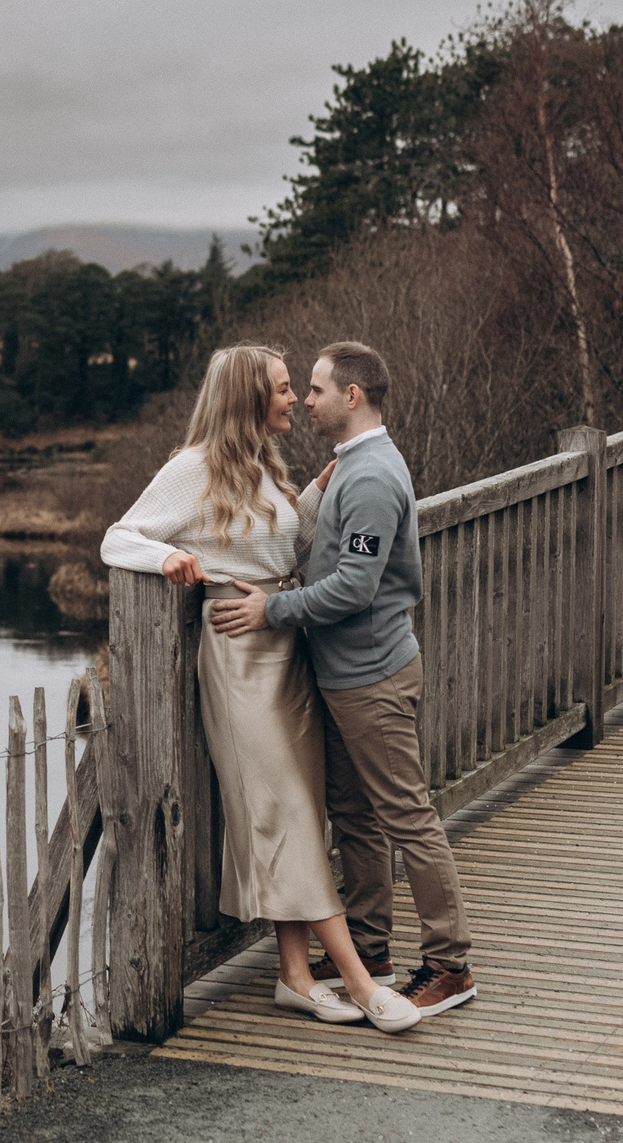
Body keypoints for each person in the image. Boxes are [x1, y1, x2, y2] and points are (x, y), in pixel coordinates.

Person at [101, 345, 423, 1035]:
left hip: (287, 648)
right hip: (238, 654)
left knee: (297, 809)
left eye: (299, 388)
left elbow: (285, 549)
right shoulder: (194, 468)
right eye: (284, 388)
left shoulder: (263, 467)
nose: (297, 400)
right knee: (287, 813)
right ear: (249, 398)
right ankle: (364, 985)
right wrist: (169, 557)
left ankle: (296, 977)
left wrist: (313, 492)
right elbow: (117, 536)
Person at [207, 340, 478, 1018]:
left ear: (351, 396)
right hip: (346, 675)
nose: (307, 399)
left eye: (319, 388)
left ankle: (450, 964)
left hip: (373, 678)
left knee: (407, 815)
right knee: (355, 817)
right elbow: (308, 543)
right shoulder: (349, 469)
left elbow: (354, 588)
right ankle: (370, 947)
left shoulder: (372, 478)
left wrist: (273, 608)